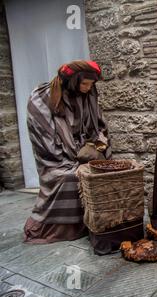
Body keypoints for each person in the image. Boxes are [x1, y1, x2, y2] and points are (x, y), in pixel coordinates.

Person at [24, 60, 111, 244]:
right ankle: (67, 228)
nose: (88, 88)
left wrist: (95, 147)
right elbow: (45, 140)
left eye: (91, 84)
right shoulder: (41, 98)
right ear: (72, 81)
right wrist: (75, 161)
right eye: (84, 83)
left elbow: (98, 127)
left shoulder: (86, 95)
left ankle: (96, 221)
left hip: (81, 150)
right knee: (70, 176)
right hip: (55, 157)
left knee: (104, 169)